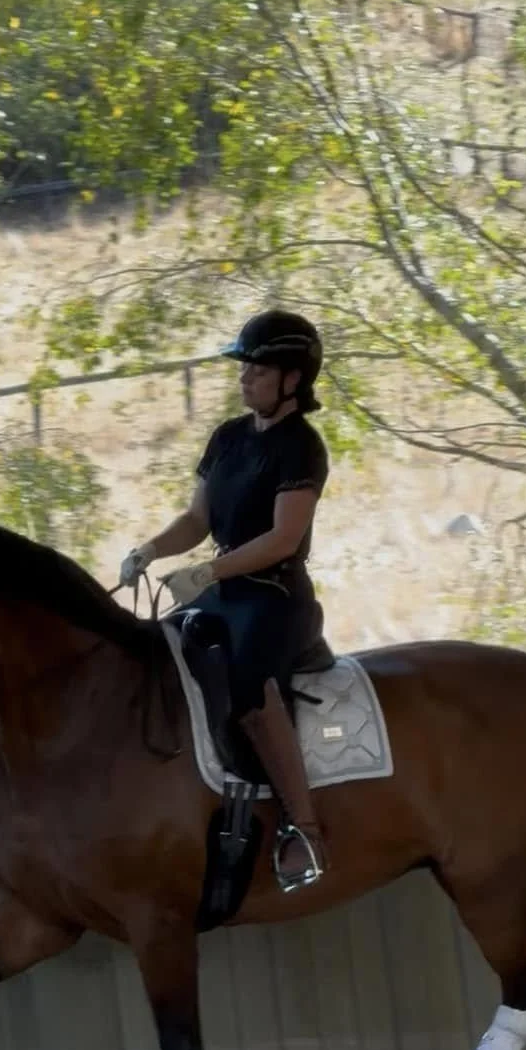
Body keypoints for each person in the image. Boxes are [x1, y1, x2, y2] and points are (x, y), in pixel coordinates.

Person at [119, 309, 330, 892]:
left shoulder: (301, 448)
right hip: (221, 587)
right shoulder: (229, 439)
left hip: (274, 596)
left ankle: (303, 829)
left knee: (253, 694)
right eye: (245, 372)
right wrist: (150, 551)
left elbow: (283, 538)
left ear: (293, 379)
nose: (244, 381)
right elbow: (196, 519)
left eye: (257, 372)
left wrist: (208, 570)